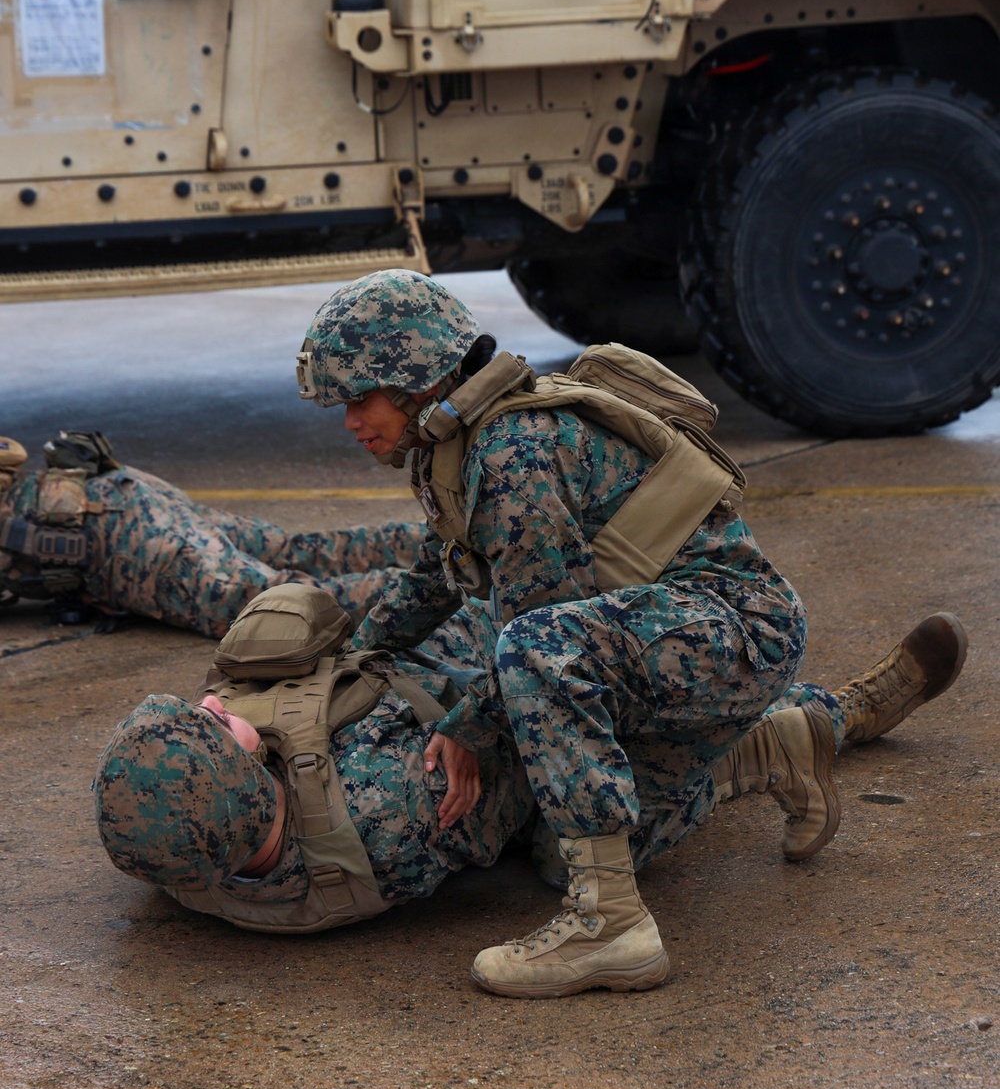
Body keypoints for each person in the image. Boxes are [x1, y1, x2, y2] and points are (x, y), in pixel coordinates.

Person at [293, 270, 968, 997]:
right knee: (563, 850)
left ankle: (612, 927)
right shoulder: (454, 451)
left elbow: (537, 627)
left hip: (735, 624)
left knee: (530, 650)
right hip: (662, 634)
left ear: (413, 378)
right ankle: (784, 743)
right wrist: (352, 655)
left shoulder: (513, 451)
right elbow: (434, 576)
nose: (350, 420)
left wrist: (465, 730)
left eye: (357, 398)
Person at [93, 582, 966, 943]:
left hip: (417, 697)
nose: (213, 713)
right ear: (249, 786)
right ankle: (812, 727)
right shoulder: (393, 807)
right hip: (497, 698)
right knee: (583, 836)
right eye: (213, 732)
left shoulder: (188, 853)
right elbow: (518, 722)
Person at [0, 430, 423, 638]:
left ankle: (439, 590)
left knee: (273, 608)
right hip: (123, 490)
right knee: (296, 550)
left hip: (127, 543)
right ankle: (438, 540)